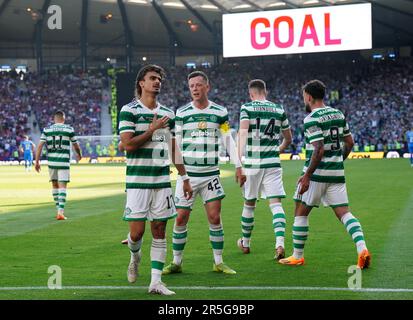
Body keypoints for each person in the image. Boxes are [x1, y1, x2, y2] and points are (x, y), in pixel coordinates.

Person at [279, 80, 371, 269]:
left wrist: (307, 176)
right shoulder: (338, 113)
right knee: (345, 214)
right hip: (336, 174)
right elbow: (350, 143)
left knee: (300, 212)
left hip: (316, 175)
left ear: (309, 96)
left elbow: (318, 149)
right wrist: (337, 161)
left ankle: (297, 256)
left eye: (304, 95)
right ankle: (362, 249)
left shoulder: (311, 118)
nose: (303, 98)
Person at [118, 64, 192, 296]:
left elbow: (172, 146)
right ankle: (134, 256)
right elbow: (128, 145)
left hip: (161, 181)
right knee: (137, 234)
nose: (157, 81)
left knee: (159, 229)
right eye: (152, 78)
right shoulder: (128, 110)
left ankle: (156, 282)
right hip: (138, 182)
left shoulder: (168, 113)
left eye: (159, 78)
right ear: (141, 83)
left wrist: (185, 176)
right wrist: (151, 130)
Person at [162, 71, 244, 276]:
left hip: (210, 175)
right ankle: (176, 262)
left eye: (199, 85)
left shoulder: (219, 111)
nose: (195, 89)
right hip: (187, 176)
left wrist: (238, 165)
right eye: (192, 86)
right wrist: (175, 170)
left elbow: (227, 139)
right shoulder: (181, 113)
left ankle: (218, 262)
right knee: (180, 218)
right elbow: (176, 143)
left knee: (215, 218)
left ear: (207, 87)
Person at [236, 79, 292, 260]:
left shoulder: (247, 108)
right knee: (276, 205)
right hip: (273, 164)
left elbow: (243, 134)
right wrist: (278, 149)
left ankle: (245, 242)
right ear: (265, 91)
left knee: (249, 204)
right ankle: (280, 244)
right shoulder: (278, 110)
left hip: (253, 164)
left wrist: (239, 163)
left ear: (251, 93)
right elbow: (288, 139)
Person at [35, 110, 82, 220]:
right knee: (62, 186)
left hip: (52, 162)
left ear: (54, 119)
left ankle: (58, 210)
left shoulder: (47, 130)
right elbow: (76, 145)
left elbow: (40, 146)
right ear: (63, 119)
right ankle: (60, 212)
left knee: (55, 185)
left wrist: (37, 161)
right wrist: (79, 155)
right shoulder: (69, 129)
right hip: (64, 162)